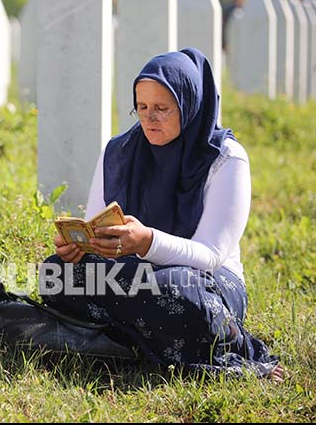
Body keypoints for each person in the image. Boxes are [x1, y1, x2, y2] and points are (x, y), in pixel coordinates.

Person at [42, 47, 283, 380]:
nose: (148, 118)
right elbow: (98, 226)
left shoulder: (225, 158)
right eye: (141, 107)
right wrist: (79, 247)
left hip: (204, 282)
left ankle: (122, 340)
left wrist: (146, 242)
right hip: (132, 275)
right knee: (55, 274)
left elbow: (211, 254)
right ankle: (150, 340)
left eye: (162, 108)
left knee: (176, 291)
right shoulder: (119, 151)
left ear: (189, 105)